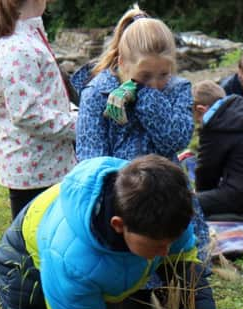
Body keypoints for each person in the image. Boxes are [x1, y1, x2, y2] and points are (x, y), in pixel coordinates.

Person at [0, 154, 216, 309]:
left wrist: (202, 306)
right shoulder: (73, 261)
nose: (165, 253)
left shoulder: (165, 206)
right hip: (26, 277)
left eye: (170, 242)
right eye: (158, 246)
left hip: (95, 272)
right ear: (119, 225)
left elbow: (182, 256)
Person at [75, 5, 212, 279]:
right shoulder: (98, 94)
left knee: (178, 273)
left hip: (169, 193)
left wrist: (143, 95)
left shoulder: (177, 90)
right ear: (123, 64)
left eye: (163, 74)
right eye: (145, 76)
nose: (156, 83)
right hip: (123, 201)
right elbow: (91, 160)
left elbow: (174, 139)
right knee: (131, 280)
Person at [0, 0, 77, 219]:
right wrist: (79, 125)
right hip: (35, 168)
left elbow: (47, 96)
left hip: (47, 162)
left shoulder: (29, 35)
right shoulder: (18, 48)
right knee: (30, 244)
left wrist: (73, 112)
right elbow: (27, 114)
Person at [192, 80, 243, 219]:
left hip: (242, 194)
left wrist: (201, 196)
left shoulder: (214, 126)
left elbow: (206, 171)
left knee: (181, 203)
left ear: (201, 110)